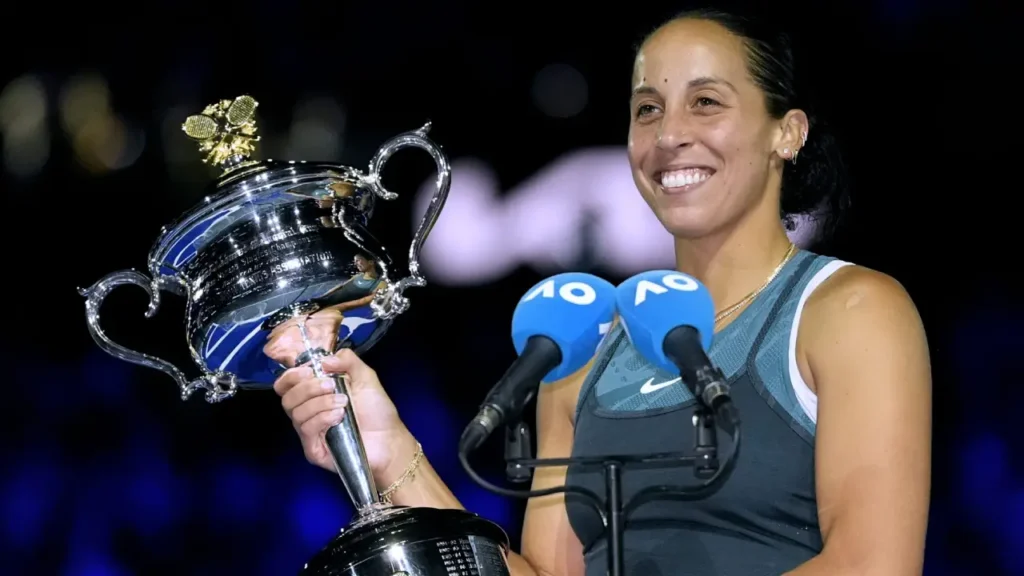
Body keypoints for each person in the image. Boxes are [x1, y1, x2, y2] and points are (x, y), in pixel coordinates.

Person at [269, 8, 931, 576]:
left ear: (786, 132)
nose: (669, 135)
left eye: (706, 102)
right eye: (648, 109)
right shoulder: (581, 352)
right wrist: (391, 454)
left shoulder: (852, 312)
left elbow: (872, 564)